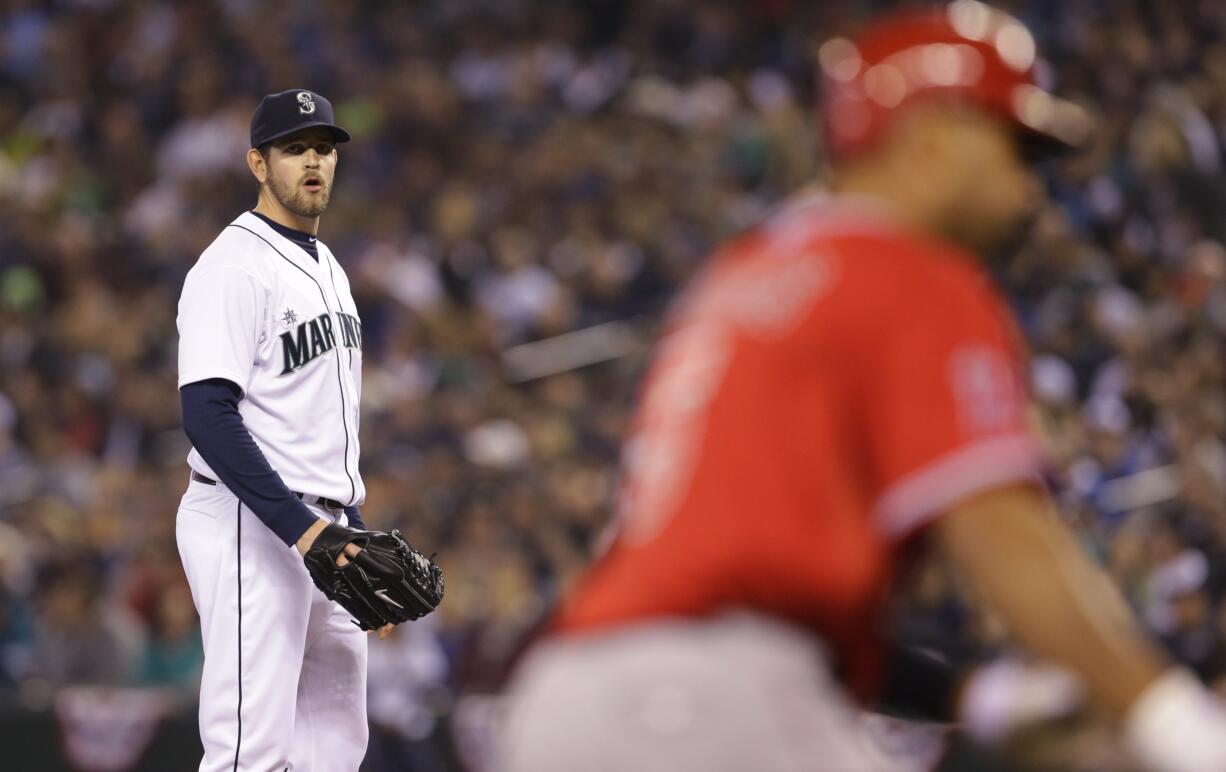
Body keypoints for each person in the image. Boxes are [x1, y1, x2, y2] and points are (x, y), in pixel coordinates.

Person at [498, 4, 1226, 771]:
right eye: (1012, 149)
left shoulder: (747, 273)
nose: (1026, 191)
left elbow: (759, 563)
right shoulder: (906, 269)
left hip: (574, 695)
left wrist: (976, 696)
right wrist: (1171, 719)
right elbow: (1003, 535)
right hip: (702, 703)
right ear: (931, 138)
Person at [174, 89, 387, 771]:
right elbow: (207, 412)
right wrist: (305, 529)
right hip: (252, 521)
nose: (314, 161)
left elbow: (321, 427)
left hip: (323, 528)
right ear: (258, 164)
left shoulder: (330, 267)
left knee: (333, 746)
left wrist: (347, 535)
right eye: (294, 148)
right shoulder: (231, 265)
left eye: (323, 147)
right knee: (249, 749)